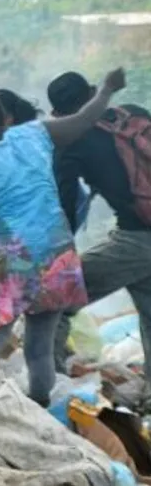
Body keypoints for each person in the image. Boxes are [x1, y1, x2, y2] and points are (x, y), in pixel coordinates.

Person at [0, 69, 125, 406]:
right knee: (39, 349)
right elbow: (83, 119)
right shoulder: (35, 135)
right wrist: (107, 90)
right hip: (58, 256)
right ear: (0, 117)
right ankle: (39, 407)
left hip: (12, 262)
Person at [0, 88, 91, 325]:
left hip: (23, 241)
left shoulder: (30, 147)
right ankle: (8, 352)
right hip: (13, 240)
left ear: (5, 117)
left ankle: (10, 351)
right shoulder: (10, 147)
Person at [48, 71, 151, 371]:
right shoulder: (134, 113)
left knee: (54, 300)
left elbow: (64, 214)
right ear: (94, 91)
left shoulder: (71, 144)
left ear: (57, 114)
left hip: (136, 238)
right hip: (139, 239)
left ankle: (50, 391)